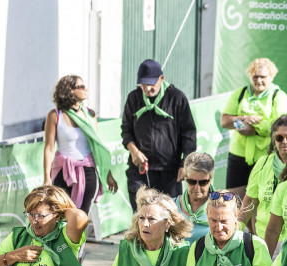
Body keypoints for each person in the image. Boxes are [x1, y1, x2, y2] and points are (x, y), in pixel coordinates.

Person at [121, 59, 196, 209]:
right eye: (143, 84)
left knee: (168, 216)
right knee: (141, 214)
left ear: (161, 78)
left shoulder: (176, 98)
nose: (147, 88)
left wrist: (184, 164)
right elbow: (126, 130)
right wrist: (134, 151)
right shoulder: (133, 98)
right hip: (140, 169)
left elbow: (188, 133)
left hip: (169, 171)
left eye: (151, 84)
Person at [43, 75, 117, 215]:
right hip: (63, 171)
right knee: (60, 215)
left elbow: (97, 148)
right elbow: (49, 148)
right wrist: (47, 177)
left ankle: (78, 238)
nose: (85, 89)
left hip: (87, 171)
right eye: (81, 87)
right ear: (69, 90)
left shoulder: (90, 114)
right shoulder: (55, 115)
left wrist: (108, 175)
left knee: (81, 216)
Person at [220, 58, 287, 200]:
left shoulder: (279, 96)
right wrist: (242, 119)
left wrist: (256, 129)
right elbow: (224, 121)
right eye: (255, 76)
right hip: (238, 155)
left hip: (265, 156)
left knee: (259, 201)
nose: (259, 80)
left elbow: (282, 125)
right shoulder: (240, 93)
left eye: (263, 77)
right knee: (233, 200)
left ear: (271, 77)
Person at [242, 115, 287, 236]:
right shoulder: (263, 163)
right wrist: (236, 230)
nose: (284, 142)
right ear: (274, 140)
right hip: (265, 237)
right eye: (279, 138)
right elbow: (249, 201)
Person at [176, 152, 215, 243]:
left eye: (203, 182)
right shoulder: (172, 206)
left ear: (211, 178)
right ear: (185, 178)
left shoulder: (223, 205)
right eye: (192, 181)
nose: (197, 188)